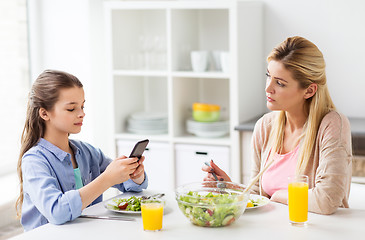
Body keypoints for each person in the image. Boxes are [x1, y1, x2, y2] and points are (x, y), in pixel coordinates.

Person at [202, 36, 352, 215]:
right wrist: (230, 188)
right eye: (268, 76)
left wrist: (281, 195)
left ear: (309, 90)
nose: (268, 88)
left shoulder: (332, 124)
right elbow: (259, 196)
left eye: (280, 83)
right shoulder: (265, 127)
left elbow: (326, 200)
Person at [15, 70, 148, 231]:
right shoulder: (34, 161)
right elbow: (57, 211)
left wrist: (135, 175)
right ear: (44, 113)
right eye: (71, 109)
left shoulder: (88, 152)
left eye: (82, 106)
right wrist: (107, 179)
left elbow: (131, 186)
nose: (82, 114)